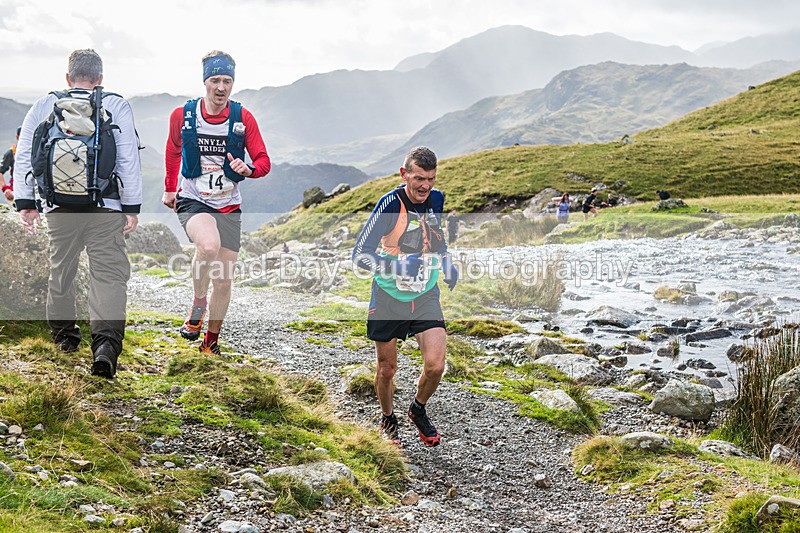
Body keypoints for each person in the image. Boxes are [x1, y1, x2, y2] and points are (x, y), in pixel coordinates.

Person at [14, 49, 142, 378]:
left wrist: (26, 203)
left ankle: (64, 338)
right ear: (100, 78)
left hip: (59, 207)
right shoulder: (115, 105)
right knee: (108, 276)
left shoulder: (45, 105)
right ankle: (105, 347)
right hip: (106, 207)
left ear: (68, 77)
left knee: (62, 270)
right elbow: (127, 158)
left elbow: (26, 154)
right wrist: (131, 206)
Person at [162, 50, 271, 356]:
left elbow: (263, 162)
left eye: (227, 81)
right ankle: (198, 304)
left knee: (223, 281)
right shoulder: (183, 115)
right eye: (215, 80)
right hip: (193, 198)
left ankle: (210, 342)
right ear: (205, 82)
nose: (221, 88)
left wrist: (248, 169)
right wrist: (169, 189)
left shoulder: (243, 118)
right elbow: (173, 150)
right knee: (208, 246)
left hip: (228, 204)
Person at [352, 146, 458, 447]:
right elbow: (359, 255)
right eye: (419, 178)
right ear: (404, 174)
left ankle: (417, 409)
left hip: (425, 293)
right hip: (388, 295)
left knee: (436, 365)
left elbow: (436, 237)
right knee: (387, 370)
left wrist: (446, 262)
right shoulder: (389, 205)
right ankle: (388, 418)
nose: (425, 186)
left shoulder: (436, 199)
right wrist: (397, 265)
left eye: (431, 179)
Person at [0, 127, 19, 202]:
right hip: (16, 189)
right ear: (17, 137)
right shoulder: (12, 152)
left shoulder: (36, 151)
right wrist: (5, 189)